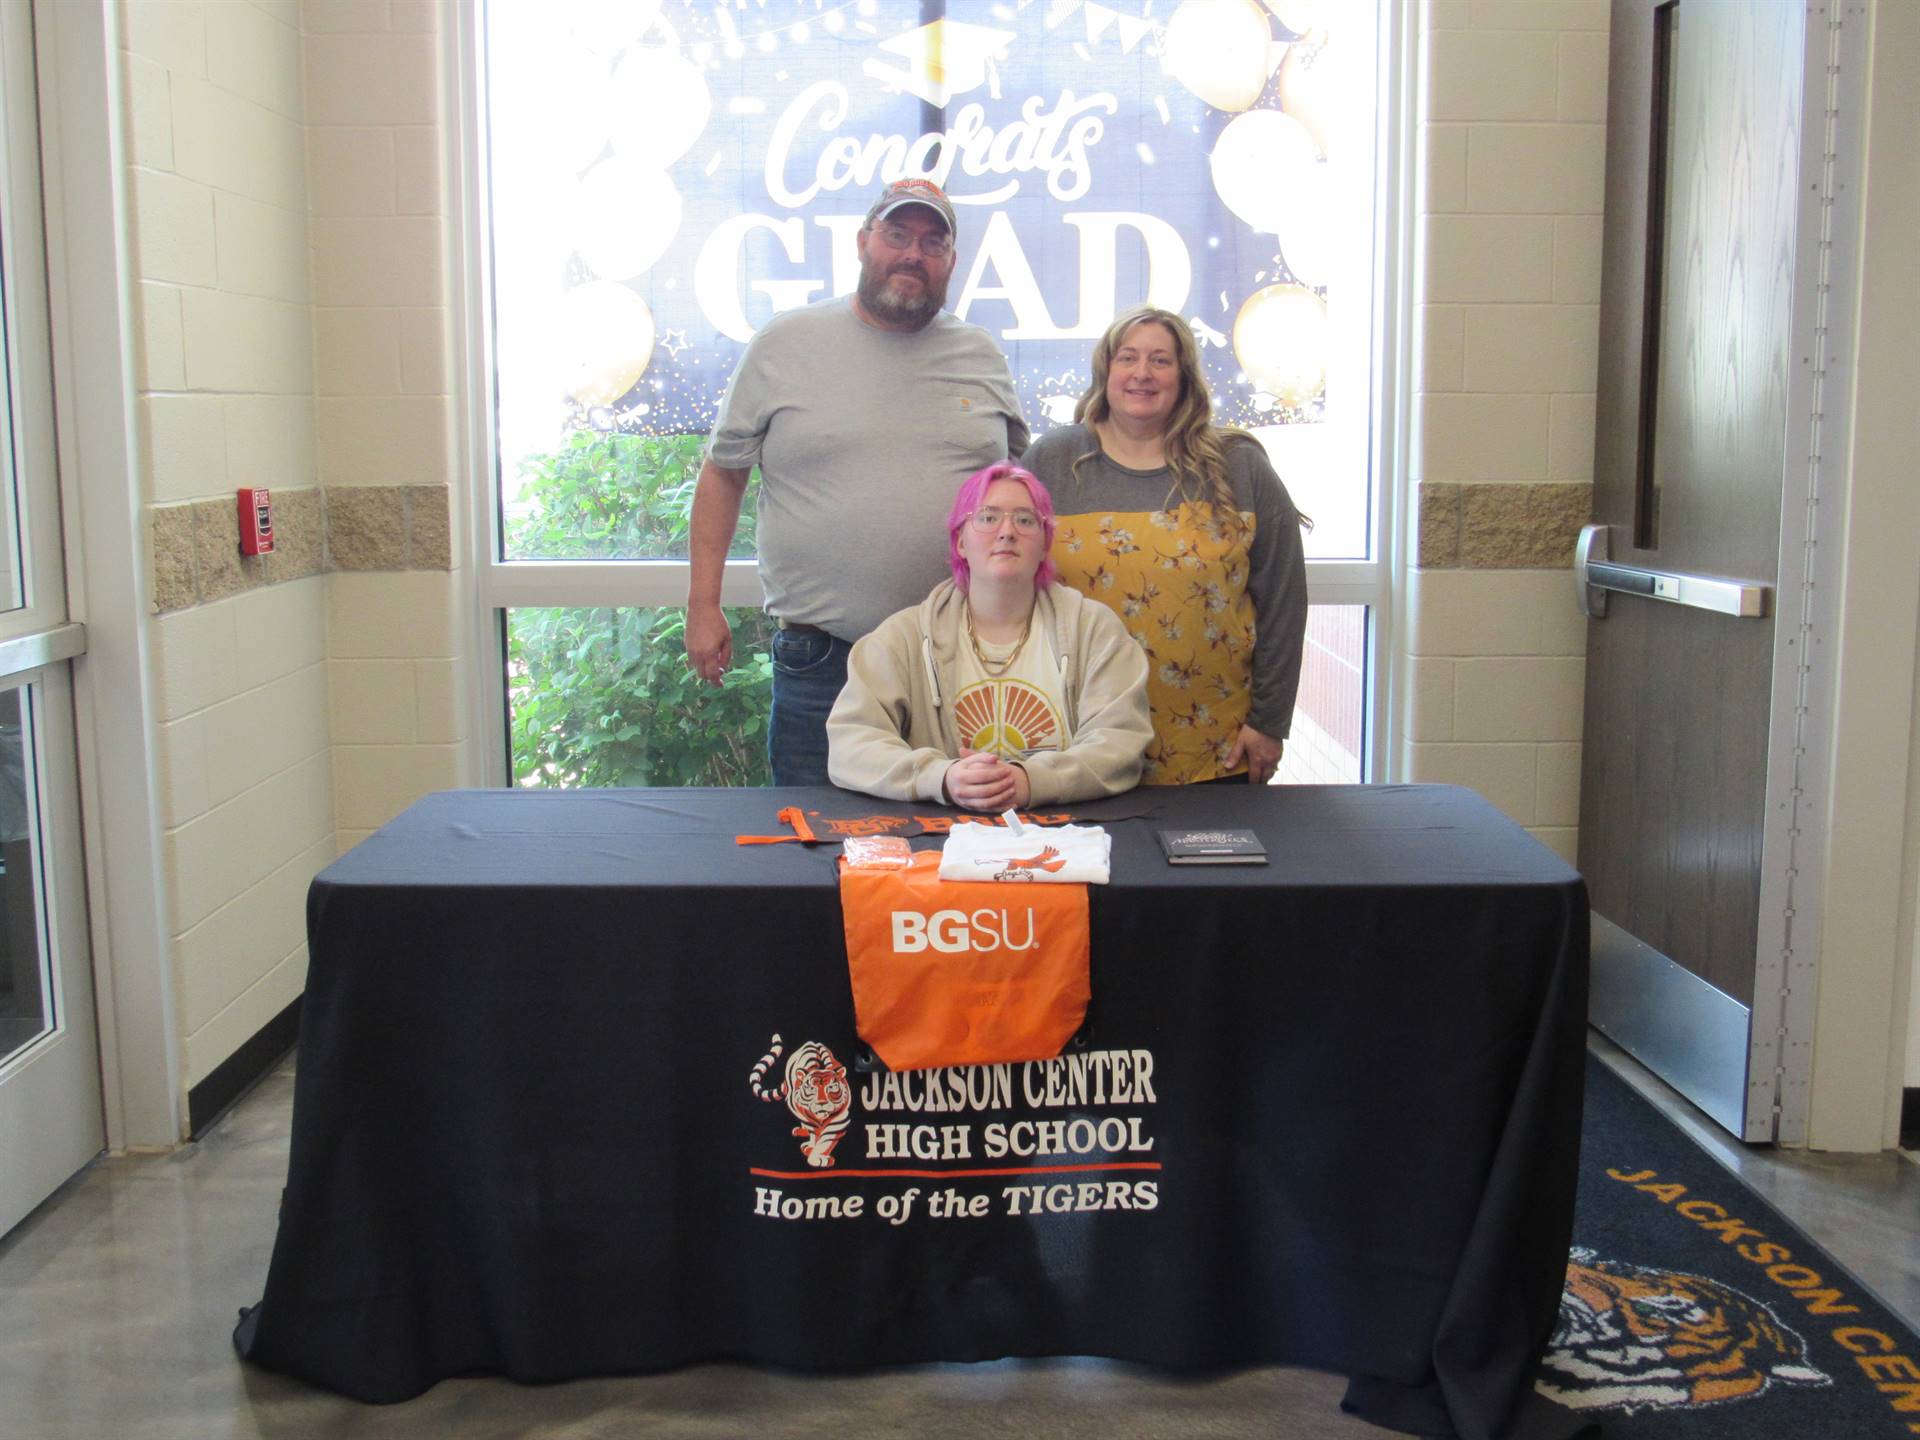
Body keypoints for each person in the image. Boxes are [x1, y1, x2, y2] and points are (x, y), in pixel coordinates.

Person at [685, 178, 1029, 785]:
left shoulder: (979, 355)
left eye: (931, 242)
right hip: (824, 664)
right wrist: (703, 604)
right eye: (897, 235)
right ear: (863, 241)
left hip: (958, 661)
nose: (912, 254)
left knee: (953, 854)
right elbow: (724, 472)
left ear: (951, 262)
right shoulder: (785, 344)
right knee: (816, 850)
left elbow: (1015, 492)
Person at [1022, 306, 1307, 786]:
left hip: (1214, 749)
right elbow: (1004, 584)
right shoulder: (1052, 462)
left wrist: (1269, 723)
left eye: (1160, 360)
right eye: (1128, 358)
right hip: (1071, 743)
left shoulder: (1239, 465)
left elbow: (1284, 602)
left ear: (1185, 376)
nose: (1142, 373)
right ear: (1105, 372)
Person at [827, 463, 1151, 810]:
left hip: (1073, 833)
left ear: (1045, 545)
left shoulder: (1095, 630)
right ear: (960, 541)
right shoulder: (902, 637)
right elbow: (851, 744)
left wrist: (1030, 782)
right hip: (940, 839)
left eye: (1025, 520)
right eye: (987, 517)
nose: (1007, 531)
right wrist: (942, 777)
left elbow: (1120, 742)